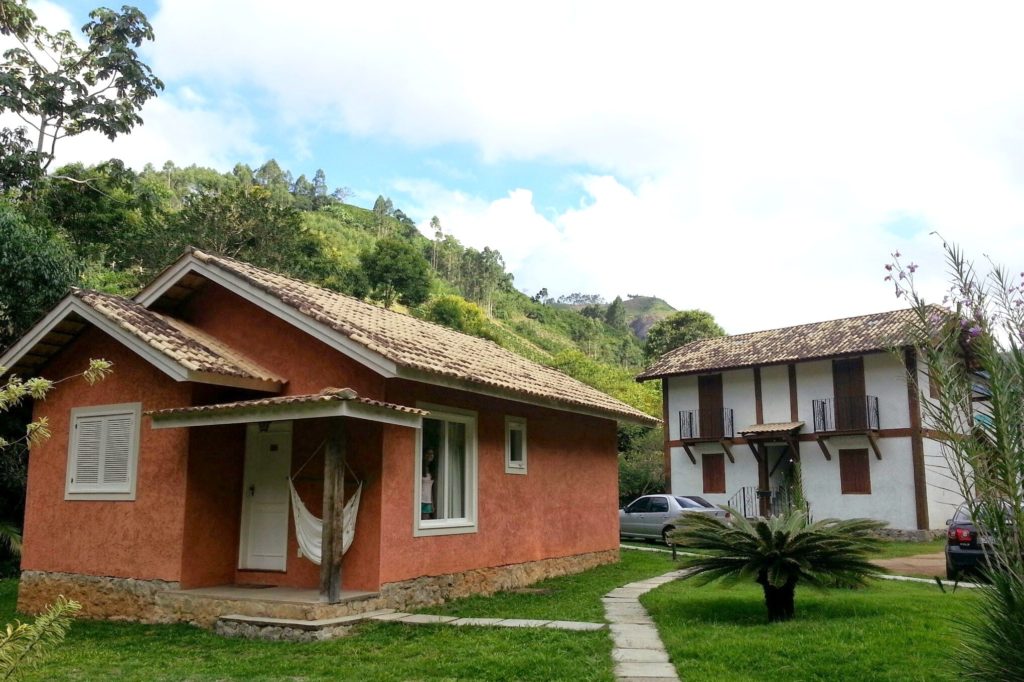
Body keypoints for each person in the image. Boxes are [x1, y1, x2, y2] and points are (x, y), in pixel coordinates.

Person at [421, 448, 435, 520]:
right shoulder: (420, 468)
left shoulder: (432, 469)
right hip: (420, 500)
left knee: (426, 521)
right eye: (428, 453)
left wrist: (432, 503)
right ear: (424, 455)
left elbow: (431, 488)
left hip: (428, 501)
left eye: (432, 454)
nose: (431, 455)